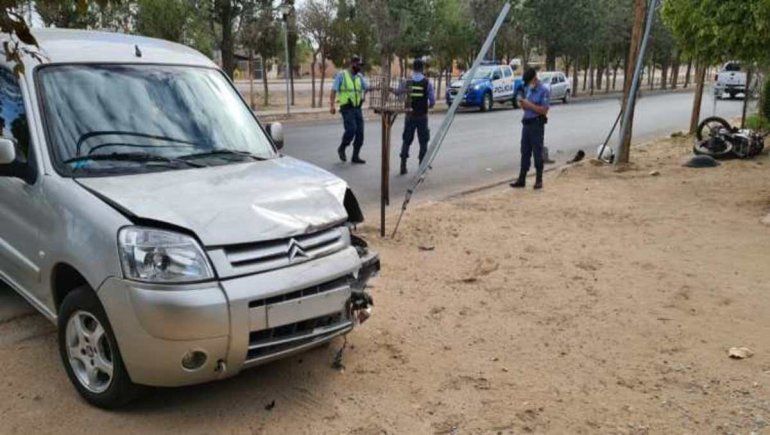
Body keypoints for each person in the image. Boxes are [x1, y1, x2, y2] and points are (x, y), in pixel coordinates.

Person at [511, 67, 550, 190]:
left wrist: (529, 105)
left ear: (534, 78)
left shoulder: (544, 90)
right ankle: (521, 179)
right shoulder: (528, 89)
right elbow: (527, 106)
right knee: (525, 151)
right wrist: (523, 104)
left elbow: (544, 110)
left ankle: (539, 180)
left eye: (529, 81)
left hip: (536, 124)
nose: (528, 84)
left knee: (537, 152)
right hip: (526, 124)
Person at [399, 58, 435, 175]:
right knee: (423, 141)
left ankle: (403, 165)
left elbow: (400, 97)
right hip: (422, 116)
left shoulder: (406, 81)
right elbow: (432, 101)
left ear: (413, 68)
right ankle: (421, 166)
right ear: (422, 68)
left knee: (406, 140)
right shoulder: (427, 82)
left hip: (409, 116)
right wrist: (428, 106)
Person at [330, 55, 368, 164]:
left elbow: (366, 87)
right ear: (352, 64)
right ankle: (342, 148)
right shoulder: (341, 75)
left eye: (360, 65)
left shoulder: (359, 76)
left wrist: (365, 94)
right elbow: (333, 91)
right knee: (351, 129)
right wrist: (332, 105)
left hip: (357, 108)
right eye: (358, 65)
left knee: (360, 133)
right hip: (347, 108)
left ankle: (355, 156)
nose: (359, 67)